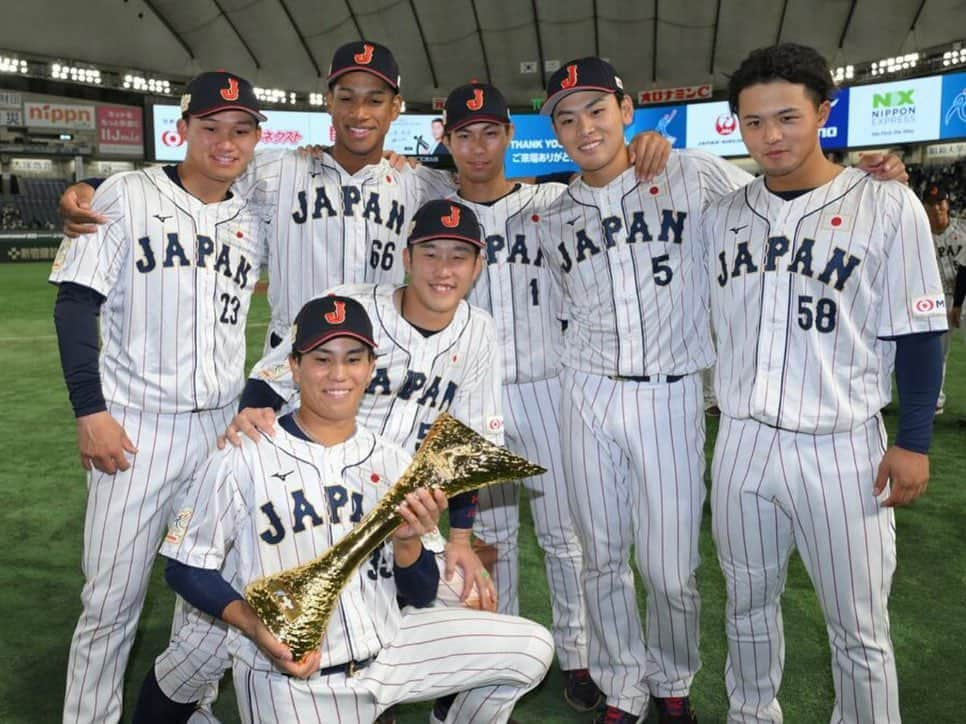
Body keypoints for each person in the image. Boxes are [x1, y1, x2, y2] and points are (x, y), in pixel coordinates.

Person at [535, 56, 909, 724]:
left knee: (671, 570)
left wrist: (877, 179)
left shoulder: (694, 172)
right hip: (586, 390)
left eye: (597, 109)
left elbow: (786, 191)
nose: (583, 126)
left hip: (674, 391)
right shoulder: (557, 215)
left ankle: (672, 679)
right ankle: (623, 686)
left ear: (627, 110)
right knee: (601, 559)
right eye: (566, 117)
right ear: (556, 133)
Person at [134, 199, 508, 721]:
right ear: (407, 257)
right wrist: (252, 430)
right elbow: (269, 377)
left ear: (477, 266)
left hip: (388, 507)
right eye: (430, 254)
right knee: (199, 652)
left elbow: (468, 440)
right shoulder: (351, 306)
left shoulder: (480, 332)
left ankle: (382, 692)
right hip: (294, 498)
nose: (443, 270)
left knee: (465, 608)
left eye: (458, 257)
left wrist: (462, 539)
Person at [705, 43, 946, 723]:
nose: (770, 136)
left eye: (787, 117)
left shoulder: (887, 205)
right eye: (753, 123)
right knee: (747, 605)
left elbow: (922, 332)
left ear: (823, 113)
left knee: (858, 626)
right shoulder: (723, 213)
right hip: (743, 442)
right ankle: (751, 715)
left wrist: (915, 440)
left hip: (842, 448)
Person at [49, 71, 269, 724]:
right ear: (183, 130)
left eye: (241, 129)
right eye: (211, 127)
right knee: (111, 601)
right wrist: (90, 412)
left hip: (219, 433)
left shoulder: (250, 215)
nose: (226, 142)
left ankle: (186, 708)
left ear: (257, 138)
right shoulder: (123, 194)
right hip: (133, 429)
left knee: (203, 591)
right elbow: (73, 304)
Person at [412, 81, 608, 714]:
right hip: (474, 389)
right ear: (447, 139)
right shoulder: (431, 200)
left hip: (551, 387)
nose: (477, 145)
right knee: (487, 538)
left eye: (489, 132)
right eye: (463, 133)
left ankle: (576, 655)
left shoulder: (552, 199)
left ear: (509, 137)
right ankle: (501, 651)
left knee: (563, 535)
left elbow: (618, 180)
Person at [922, 184, 966, 413]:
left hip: (964, 297)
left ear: (947, 204)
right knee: (938, 353)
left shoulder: (963, 229)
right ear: (924, 207)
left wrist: (958, 304)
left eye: (940, 202)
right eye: (931, 204)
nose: (936, 208)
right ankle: (935, 400)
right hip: (936, 299)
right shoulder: (920, 235)